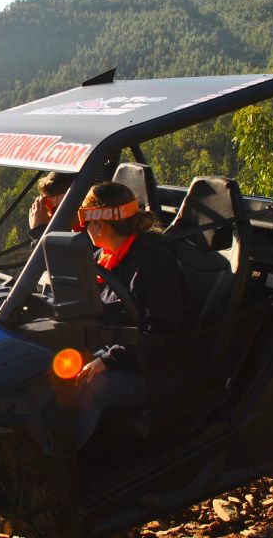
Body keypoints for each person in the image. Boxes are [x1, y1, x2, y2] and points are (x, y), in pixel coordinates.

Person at [72, 182, 190, 450]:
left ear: (99, 222)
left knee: (91, 389)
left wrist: (108, 360)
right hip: (119, 355)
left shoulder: (153, 263)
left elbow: (161, 336)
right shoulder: (105, 256)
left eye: (85, 218)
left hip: (157, 369)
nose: (83, 227)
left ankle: (60, 469)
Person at [28, 171, 78, 243]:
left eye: (53, 209)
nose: (49, 215)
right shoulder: (74, 234)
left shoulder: (91, 240)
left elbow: (52, 254)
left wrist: (39, 232)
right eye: (45, 206)